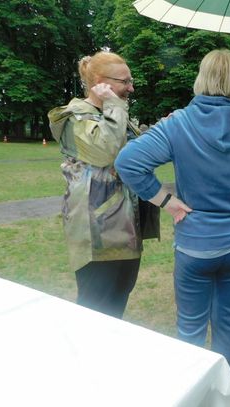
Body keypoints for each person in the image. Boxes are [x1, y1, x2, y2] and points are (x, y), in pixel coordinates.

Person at [114, 49, 230, 376]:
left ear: (202, 79)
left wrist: (165, 200)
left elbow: (128, 162)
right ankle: (226, 391)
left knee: (190, 327)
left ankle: (193, 391)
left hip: (195, 244)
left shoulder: (180, 123)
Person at [48, 51, 142, 319]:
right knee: (94, 310)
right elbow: (106, 151)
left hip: (125, 228)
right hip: (95, 234)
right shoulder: (75, 117)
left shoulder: (116, 114)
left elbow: (136, 153)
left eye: (131, 81)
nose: (131, 88)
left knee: (118, 301)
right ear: (100, 82)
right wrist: (114, 104)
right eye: (124, 81)